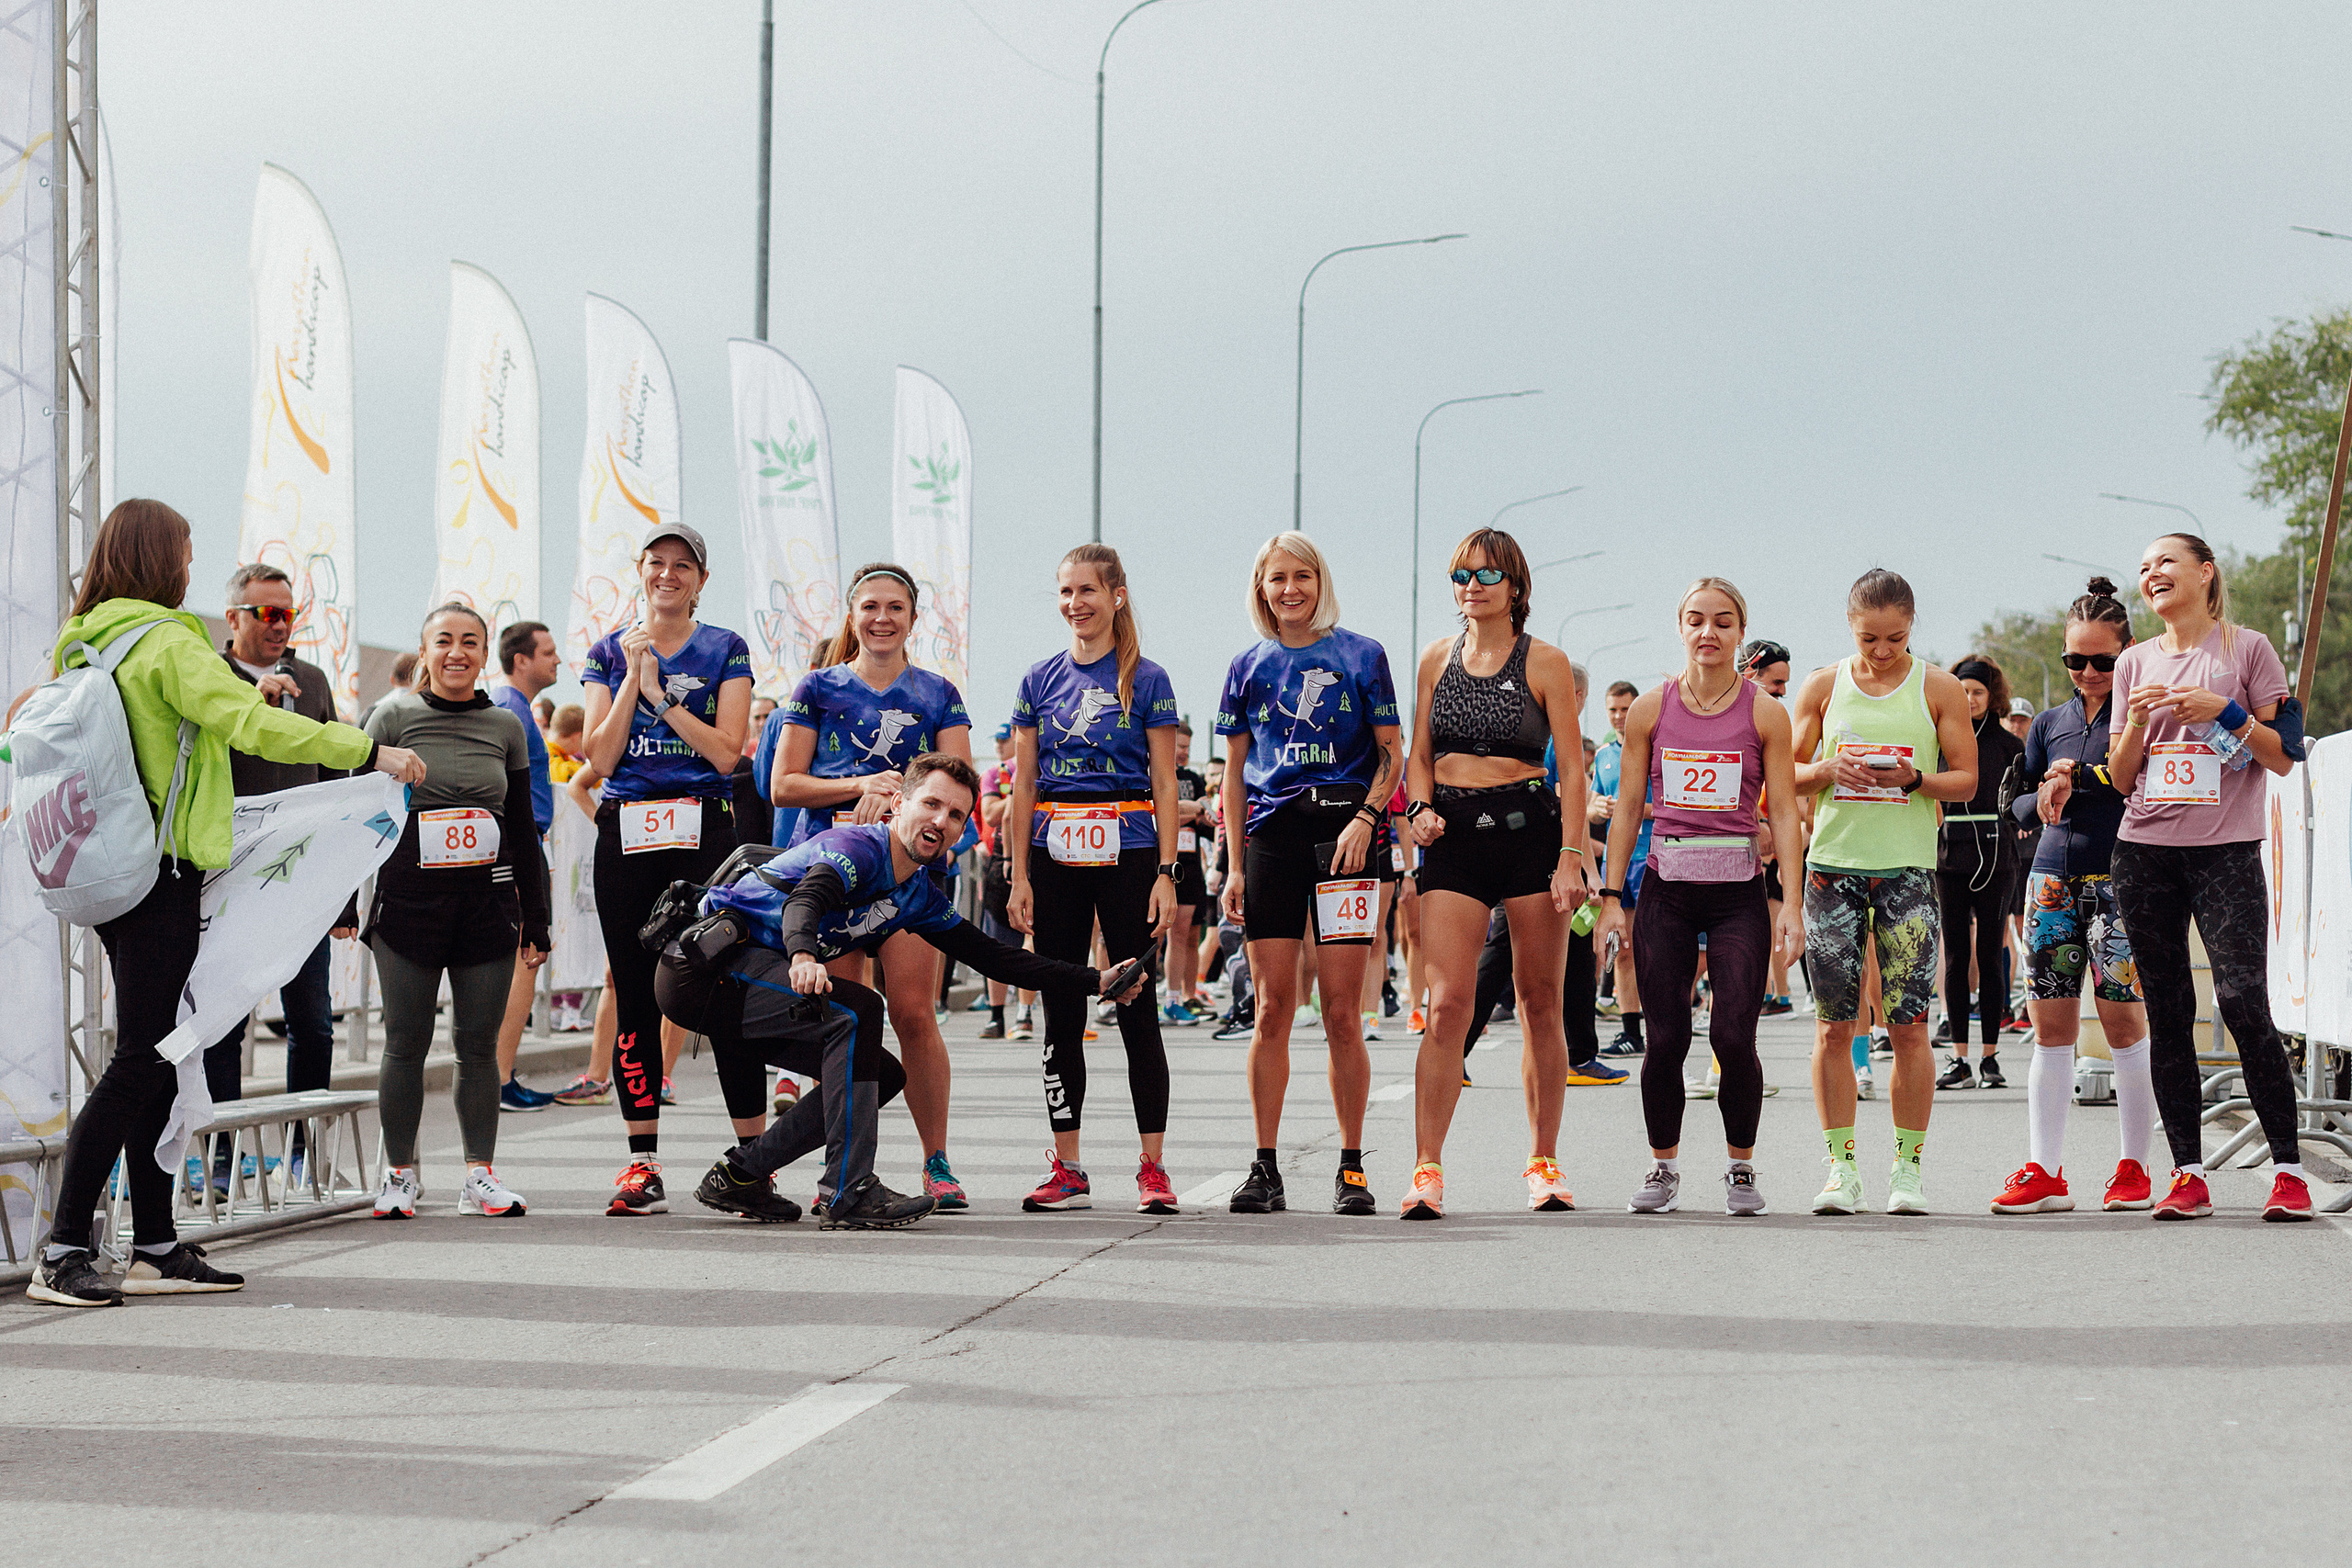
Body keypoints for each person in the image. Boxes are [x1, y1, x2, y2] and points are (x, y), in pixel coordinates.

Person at [28, 500, 424, 1308]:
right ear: (155, 559)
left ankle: (156, 1244)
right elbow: (250, 725)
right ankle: (64, 1247)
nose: (187, 566)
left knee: (165, 1052)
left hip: (119, 866)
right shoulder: (167, 640)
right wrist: (367, 751)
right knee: (145, 1056)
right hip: (162, 873)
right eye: (183, 551)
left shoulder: (91, 637)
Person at [666, 754, 1150, 1226]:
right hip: (701, 971)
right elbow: (806, 900)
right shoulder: (858, 847)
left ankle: (742, 1173)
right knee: (857, 1010)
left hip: (747, 983)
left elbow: (995, 957)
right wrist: (804, 956)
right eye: (932, 804)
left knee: (879, 1071)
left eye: (957, 815)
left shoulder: (916, 893)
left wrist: (1096, 981)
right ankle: (847, 1189)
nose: (942, 821)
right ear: (899, 803)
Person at [2106, 534, 2311, 1221]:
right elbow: (2122, 775)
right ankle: (2187, 1173)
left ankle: (2288, 1170)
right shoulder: (2132, 661)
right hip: (2144, 853)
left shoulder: (2245, 649)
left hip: (2226, 850)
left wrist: (2221, 711)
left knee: (2243, 998)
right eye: (2143, 568)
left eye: (2164, 562)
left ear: (2204, 572)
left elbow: (2284, 755)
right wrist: (2135, 722)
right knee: (2168, 1012)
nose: (2152, 574)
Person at [1596, 580, 1804, 1216]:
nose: (1708, 632)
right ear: (1680, 628)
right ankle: (1664, 1167)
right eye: (1696, 620)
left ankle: (1741, 1169)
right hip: (1668, 888)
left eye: (1722, 621)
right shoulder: (1651, 710)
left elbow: (1788, 814)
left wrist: (1791, 901)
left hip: (1739, 888)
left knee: (1733, 1034)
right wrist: (1610, 895)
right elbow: (1629, 807)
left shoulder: (1764, 712)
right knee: (1665, 1037)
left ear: (1741, 631)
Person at [1401, 528, 1590, 1220]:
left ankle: (1543, 1161)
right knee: (1448, 1001)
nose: (1471, 585)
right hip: (1452, 836)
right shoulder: (1432, 659)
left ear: (1515, 585)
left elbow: (1572, 768)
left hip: (1528, 833)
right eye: (1460, 573)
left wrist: (1573, 854)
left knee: (1540, 997)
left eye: (1486, 574)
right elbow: (1418, 752)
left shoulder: (1546, 661)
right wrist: (1418, 804)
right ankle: (1426, 1168)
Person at [772, 561, 974, 1209]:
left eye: (895, 607)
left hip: (911, 877)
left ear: (914, 618)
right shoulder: (818, 687)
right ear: (851, 616)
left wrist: (906, 808)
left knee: (914, 1013)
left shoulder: (938, 693)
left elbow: (961, 788)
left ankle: (936, 1159)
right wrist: (862, 786)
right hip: (834, 871)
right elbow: (784, 784)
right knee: (847, 1023)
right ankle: (847, 1167)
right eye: (870, 607)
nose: (882, 618)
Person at [1213, 532, 1404, 1215]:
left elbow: (1392, 754)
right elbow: (1234, 774)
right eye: (1277, 578)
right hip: (1271, 841)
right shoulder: (1246, 665)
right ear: (1261, 587)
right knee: (1270, 1009)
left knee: (1344, 1012)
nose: (1290, 589)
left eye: (1302, 576)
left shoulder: (1362, 655)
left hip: (1347, 841)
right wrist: (1234, 866)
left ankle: (1351, 1165)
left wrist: (1367, 820)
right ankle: (1264, 1166)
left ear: (1321, 581)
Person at [1790, 569, 1978, 1216]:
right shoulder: (1822, 684)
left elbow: (1967, 780)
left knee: (1909, 1026)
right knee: (1834, 1027)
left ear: (1912, 627)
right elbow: (1782, 773)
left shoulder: (1939, 686)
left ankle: (1908, 1166)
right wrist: (1823, 769)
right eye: (1869, 638)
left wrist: (1914, 776)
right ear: (1850, 628)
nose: (1881, 650)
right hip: (1833, 869)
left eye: (1895, 638)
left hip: (1906, 871)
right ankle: (1841, 1167)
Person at [580, 523, 753, 1216]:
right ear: (641, 571)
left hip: (704, 829)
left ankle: (751, 1161)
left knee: (726, 984)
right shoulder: (608, 649)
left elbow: (726, 753)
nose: (669, 575)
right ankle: (641, 1161)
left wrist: (666, 699)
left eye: (684, 566)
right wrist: (632, 681)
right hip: (625, 831)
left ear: (702, 580)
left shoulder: (725, 649)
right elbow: (598, 756)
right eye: (657, 563)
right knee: (634, 991)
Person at [1006, 543, 1182, 1214]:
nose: (1075, 603)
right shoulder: (1037, 679)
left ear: (1117, 595)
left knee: (1137, 1005)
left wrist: (1166, 871)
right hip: (1054, 853)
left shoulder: (1149, 678)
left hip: (1131, 849)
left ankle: (1153, 1166)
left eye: (1087, 590)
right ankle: (1069, 1165)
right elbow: (1023, 781)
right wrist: (1018, 872)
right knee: (1061, 1011)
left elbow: (1165, 782)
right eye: (1065, 592)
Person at [363, 604, 550, 1219]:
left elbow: (522, 829)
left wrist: (538, 917)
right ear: (423, 650)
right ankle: (399, 1173)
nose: (457, 652)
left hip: (486, 911)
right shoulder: (392, 714)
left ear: (483, 651)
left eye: (470, 641)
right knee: (405, 1042)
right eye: (444, 640)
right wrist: (342, 905)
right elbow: (351, 813)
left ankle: (479, 1175)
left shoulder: (505, 726)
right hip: (408, 908)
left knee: (477, 1047)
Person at [1990, 578, 2158, 1214]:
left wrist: (2078, 778)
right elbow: (2016, 802)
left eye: (2102, 661)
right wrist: (2046, 795)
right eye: (2075, 660)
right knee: (2050, 1027)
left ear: (2129, 650)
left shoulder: (2143, 714)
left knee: (2122, 1022)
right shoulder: (2051, 723)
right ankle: (2046, 1168)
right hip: (2052, 882)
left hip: (2120, 880)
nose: (2088, 672)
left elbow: (2136, 785)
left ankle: (2134, 1166)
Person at [199, 562, 355, 1193]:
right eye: (267, 612)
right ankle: (219, 1156)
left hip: (304, 884)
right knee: (225, 1025)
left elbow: (336, 779)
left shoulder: (312, 679)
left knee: (312, 1022)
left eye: (289, 612)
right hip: (231, 880)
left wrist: (343, 890)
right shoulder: (210, 676)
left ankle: (303, 1152)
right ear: (233, 617)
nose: (281, 624)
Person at [1933, 655, 2026, 1089]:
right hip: (1948, 856)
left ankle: (1991, 1057)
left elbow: (2025, 800)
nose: (1969, 699)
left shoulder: (2010, 745)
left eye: (1977, 692)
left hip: (1996, 856)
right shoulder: (1937, 742)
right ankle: (1959, 1058)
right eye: (1963, 690)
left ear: (1992, 697)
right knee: (1954, 957)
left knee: (1990, 956)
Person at [489, 619, 561, 1113]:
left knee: (522, 961)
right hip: (517, 846)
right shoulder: (508, 708)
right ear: (522, 660)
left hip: (522, 843)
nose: (558, 660)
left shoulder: (516, 709)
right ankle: (498, 1077)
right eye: (549, 653)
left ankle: (499, 1073)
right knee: (524, 959)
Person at [1739, 638, 1800, 1015]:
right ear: (1750, 672)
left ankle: (1776, 996)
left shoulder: (1774, 720)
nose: (1781, 692)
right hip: (1721, 848)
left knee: (1765, 929)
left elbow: (1786, 795)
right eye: (1776, 682)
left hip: (1765, 848)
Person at [1592, 681, 1652, 1057]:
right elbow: (1594, 803)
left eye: (1626, 709)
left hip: (1651, 857)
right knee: (1624, 949)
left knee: (1655, 950)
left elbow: (1670, 806)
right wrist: (1597, 808)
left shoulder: (1652, 750)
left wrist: (1633, 811)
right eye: (1613, 709)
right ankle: (1632, 1032)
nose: (1619, 716)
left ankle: (1664, 1023)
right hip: (1617, 861)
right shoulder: (1602, 755)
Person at [1163, 720, 1214, 1027]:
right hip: (1169, 865)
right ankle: (1170, 1000)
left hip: (1194, 864)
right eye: (1180, 746)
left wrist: (1195, 812)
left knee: (1193, 934)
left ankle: (1189, 994)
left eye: (1187, 748)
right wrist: (1190, 810)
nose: (1183, 753)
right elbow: (1162, 813)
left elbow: (1206, 817)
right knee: (1176, 934)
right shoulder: (1154, 774)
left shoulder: (1193, 779)